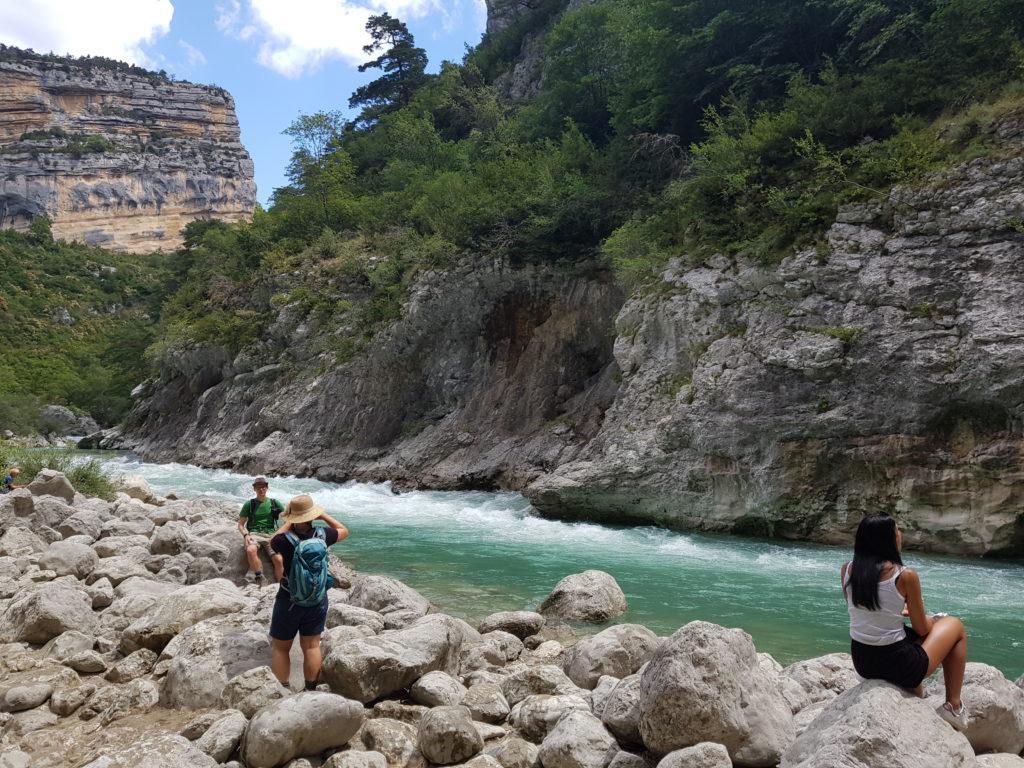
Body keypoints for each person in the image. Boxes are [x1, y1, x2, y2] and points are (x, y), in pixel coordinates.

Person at [841, 513, 969, 729]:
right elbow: (922, 628)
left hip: (862, 661)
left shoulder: (847, 570)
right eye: (897, 530)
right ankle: (953, 707)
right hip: (898, 665)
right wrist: (935, 619)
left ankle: (917, 689)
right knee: (955, 627)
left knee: (906, 632)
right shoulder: (905, 575)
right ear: (888, 539)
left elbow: (862, 611)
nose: (900, 534)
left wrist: (899, 610)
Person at [269, 494, 348, 691]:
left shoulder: (284, 540)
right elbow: (344, 530)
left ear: (292, 518)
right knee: (312, 646)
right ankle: (310, 689)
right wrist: (324, 515)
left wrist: (288, 520)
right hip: (317, 599)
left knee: (281, 647)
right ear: (312, 515)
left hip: (289, 599)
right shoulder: (323, 535)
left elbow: (273, 540)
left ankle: (282, 689)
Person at [238, 477, 285, 586]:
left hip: (271, 535)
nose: (261, 490)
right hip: (255, 534)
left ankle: (281, 586)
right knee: (250, 550)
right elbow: (240, 524)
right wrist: (246, 535)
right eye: (258, 487)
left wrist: (279, 533)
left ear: (267, 488)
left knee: (278, 559)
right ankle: (260, 576)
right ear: (254, 489)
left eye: (263, 487)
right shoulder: (249, 504)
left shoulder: (274, 503)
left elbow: (287, 518)